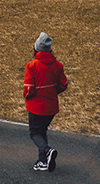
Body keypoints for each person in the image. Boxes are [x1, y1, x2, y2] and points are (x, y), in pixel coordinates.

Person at [23, 32, 68, 172]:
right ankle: (43, 161)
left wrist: (26, 96)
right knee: (42, 130)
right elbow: (63, 85)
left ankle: (47, 151)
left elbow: (29, 89)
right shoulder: (58, 65)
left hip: (36, 106)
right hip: (51, 106)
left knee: (34, 132)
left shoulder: (32, 65)